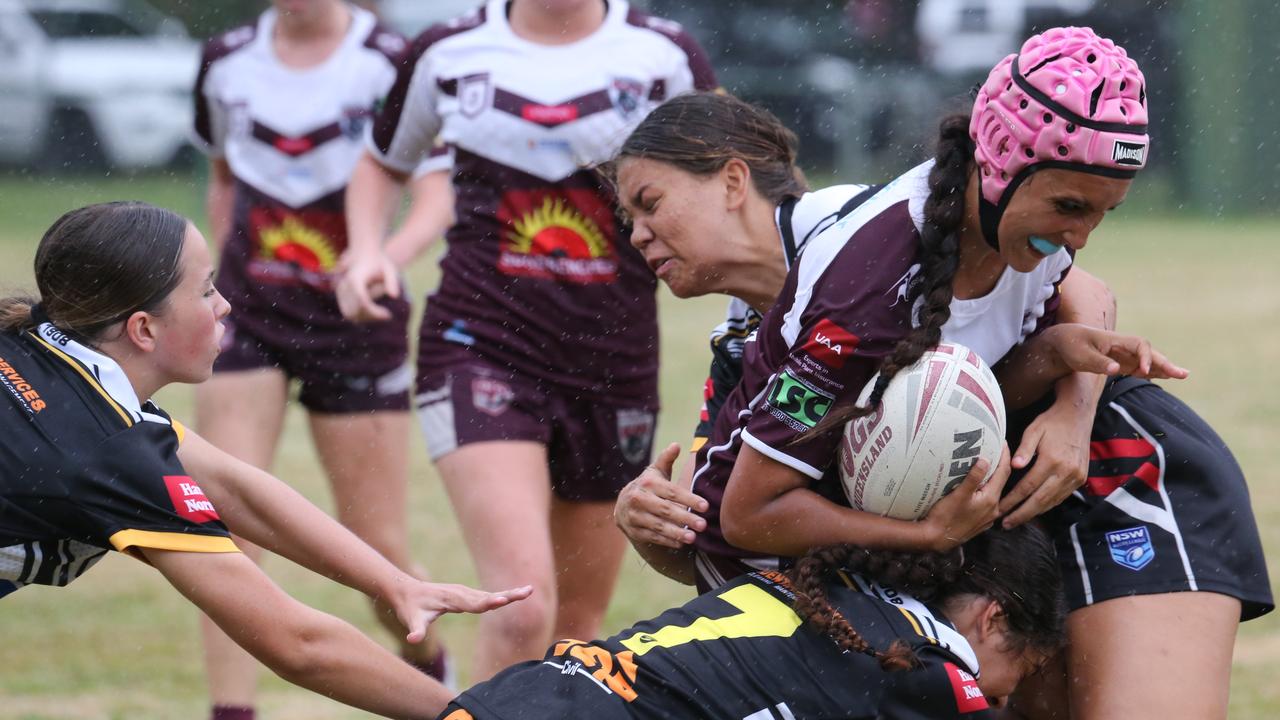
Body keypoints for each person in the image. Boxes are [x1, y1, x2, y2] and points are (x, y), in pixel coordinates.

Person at [615, 59, 1271, 720]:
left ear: (732, 180)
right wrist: (652, 523)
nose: (636, 233)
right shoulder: (750, 337)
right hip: (986, 522)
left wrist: (1072, 414)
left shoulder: (865, 230)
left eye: (651, 203)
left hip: (1099, 468)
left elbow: (1086, 293)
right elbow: (742, 521)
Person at [0, 202, 531, 719]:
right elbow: (299, 645)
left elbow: (235, 487)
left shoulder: (49, 353)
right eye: (206, 290)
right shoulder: (106, 448)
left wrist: (394, 584)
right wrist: (473, 715)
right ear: (143, 330)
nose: (224, 305)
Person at [336, 0, 717, 680]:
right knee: (519, 607)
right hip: (477, 344)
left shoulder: (665, 56)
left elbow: (725, 181)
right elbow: (382, 161)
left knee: (574, 635)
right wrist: (366, 249)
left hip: (614, 361)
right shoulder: (447, 51)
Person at [191, 2, 455, 716]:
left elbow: (436, 193)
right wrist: (211, 287)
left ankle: (430, 667)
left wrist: (381, 260)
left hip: (356, 320)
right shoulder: (225, 60)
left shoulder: (394, 59)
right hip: (247, 313)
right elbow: (223, 179)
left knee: (374, 546)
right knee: (221, 525)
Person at [435, 523, 1065, 719]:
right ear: (992, 617)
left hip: (518, 698)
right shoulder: (937, 679)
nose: (1001, 698)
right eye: (1016, 678)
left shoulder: (830, 586)